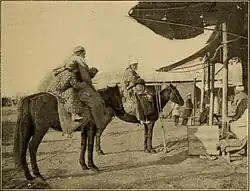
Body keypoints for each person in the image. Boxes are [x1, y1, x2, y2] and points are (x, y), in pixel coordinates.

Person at [53, 46, 106, 130]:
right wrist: (85, 83)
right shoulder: (72, 71)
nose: (85, 55)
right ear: (80, 53)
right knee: (90, 99)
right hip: (62, 91)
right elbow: (77, 84)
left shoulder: (68, 67)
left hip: (62, 88)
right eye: (84, 53)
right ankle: (78, 116)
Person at [121, 57, 153, 124]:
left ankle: (146, 115)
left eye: (136, 64)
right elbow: (134, 81)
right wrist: (139, 80)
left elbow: (137, 80)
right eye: (134, 65)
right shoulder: (128, 72)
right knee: (138, 101)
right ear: (130, 65)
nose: (135, 66)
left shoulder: (134, 72)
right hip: (128, 90)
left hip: (134, 89)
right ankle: (141, 119)